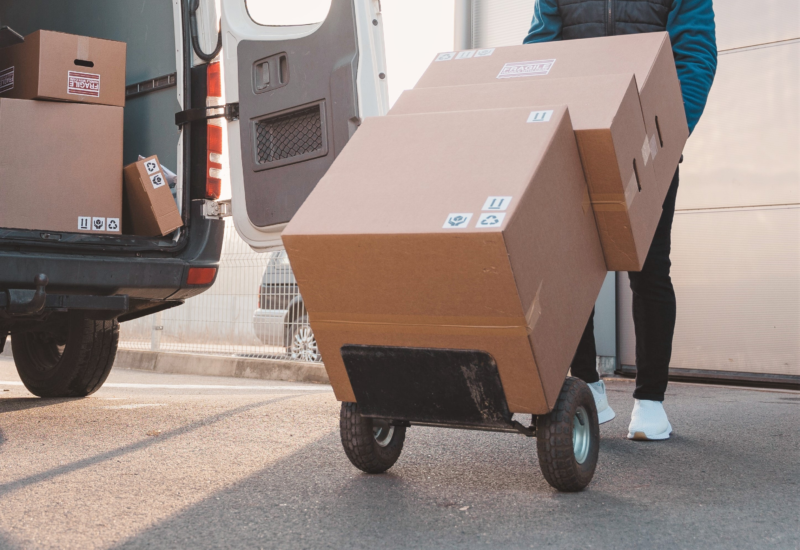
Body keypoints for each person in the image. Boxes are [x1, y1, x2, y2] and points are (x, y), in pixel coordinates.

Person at [524, 0, 717, 440]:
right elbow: (539, 51)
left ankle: (650, 402)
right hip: (573, 143)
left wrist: (668, 134)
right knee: (570, 271)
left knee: (648, 268)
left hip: (647, 145)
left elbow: (695, 54)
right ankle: (587, 383)